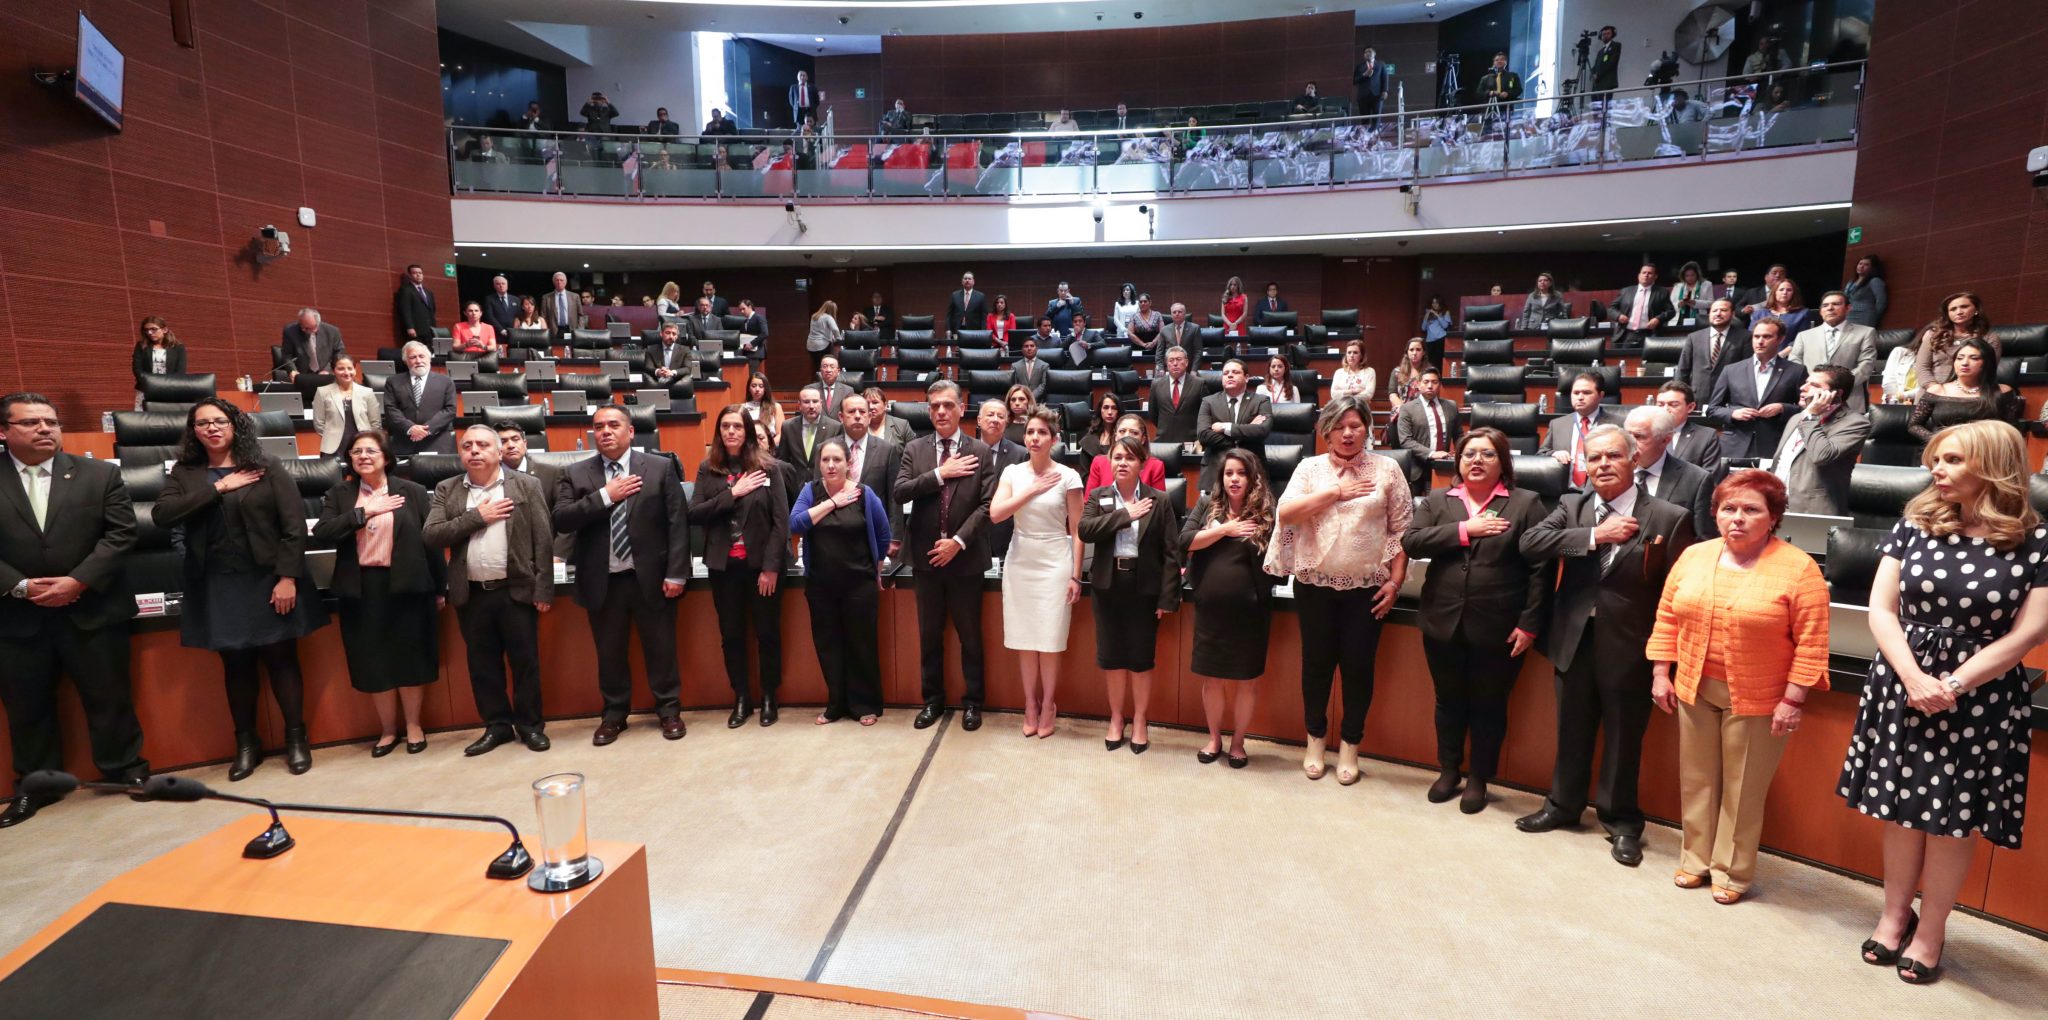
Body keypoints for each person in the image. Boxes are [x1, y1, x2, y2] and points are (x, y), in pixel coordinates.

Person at [1838, 420, 2048, 983]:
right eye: (1936, 459)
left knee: (1952, 821)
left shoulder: (2037, 543)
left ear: (1993, 465)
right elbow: (1882, 610)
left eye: (1952, 460)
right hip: (1903, 683)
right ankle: (1891, 917)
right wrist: (1913, 677)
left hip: (1979, 696)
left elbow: (2029, 634)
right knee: (1901, 812)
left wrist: (1951, 685)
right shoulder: (1914, 525)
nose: (1937, 470)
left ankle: (1931, 933)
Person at [1517, 425, 1695, 866]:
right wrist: (1596, 536)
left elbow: (1678, 590)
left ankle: (1621, 822)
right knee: (1571, 728)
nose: (1602, 465)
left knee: (1623, 738)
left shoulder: (1669, 516)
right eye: (1594, 458)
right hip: (1574, 640)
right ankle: (1563, 806)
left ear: (1635, 459)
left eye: (1613, 456)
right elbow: (1530, 544)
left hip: (1633, 644)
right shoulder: (1572, 505)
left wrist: (1664, 658)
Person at [1648, 469, 1829, 903]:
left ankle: (1731, 870)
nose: (1738, 518)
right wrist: (1660, 672)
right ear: (1716, 514)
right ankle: (1694, 860)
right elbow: (1667, 616)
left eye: (1752, 510)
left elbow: (1812, 640)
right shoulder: (1694, 556)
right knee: (1696, 780)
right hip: (1693, 684)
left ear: (1774, 517)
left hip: (1760, 696)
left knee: (1743, 788)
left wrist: (1793, 699)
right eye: (1729, 509)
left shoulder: (1798, 567)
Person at [153, 398, 329, 781]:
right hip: (217, 582)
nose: (212, 428)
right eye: (202, 424)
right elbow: (163, 515)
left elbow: (294, 525)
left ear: (235, 425)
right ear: (193, 431)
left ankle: (296, 739)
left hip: (268, 578)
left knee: (282, 659)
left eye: (219, 421)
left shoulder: (265, 466)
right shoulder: (186, 471)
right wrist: (219, 488)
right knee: (236, 665)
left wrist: (287, 577)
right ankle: (247, 745)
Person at [0, 393, 147, 826]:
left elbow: (121, 534)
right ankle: (38, 786)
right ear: (4, 431)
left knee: (109, 698)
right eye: (30, 422)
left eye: (51, 421)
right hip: (16, 615)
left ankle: (125, 772)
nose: (45, 428)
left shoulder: (99, 474)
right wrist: (19, 586)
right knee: (26, 707)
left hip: (92, 607)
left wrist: (77, 580)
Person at [1401, 427, 1548, 813]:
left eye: (1486, 454)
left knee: (1489, 705)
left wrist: (1530, 623)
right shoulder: (1438, 500)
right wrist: (1466, 530)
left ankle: (1480, 778)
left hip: (1500, 624)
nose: (1476, 461)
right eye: (1469, 455)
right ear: (1458, 461)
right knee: (1448, 701)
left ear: (1503, 463)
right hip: (1442, 620)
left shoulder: (1525, 503)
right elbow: (1412, 542)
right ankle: (1449, 769)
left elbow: (1541, 570)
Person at [1268, 396, 1409, 785]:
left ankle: (1350, 745)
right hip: (1314, 586)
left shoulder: (1388, 469)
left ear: (1367, 428)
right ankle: (1315, 739)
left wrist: (1395, 583)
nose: (1348, 433)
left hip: (1368, 589)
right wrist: (1336, 493)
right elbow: (1286, 513)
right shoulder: (1309, 468)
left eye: (1357, 425)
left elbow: (1401, 532)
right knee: (1316, 665)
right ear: (1326, 430)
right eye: (1340, 425)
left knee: (1358, 669)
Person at [555, 406, 689, 744]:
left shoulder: (659, 468)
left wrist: (677, 573)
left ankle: (669, 711)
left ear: (631, 432)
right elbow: (562, 519)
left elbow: (677, 523)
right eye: (598, 427)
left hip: (651, 578)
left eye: (614, 425)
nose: (605, 432)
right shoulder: (575, 473)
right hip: (602, 580)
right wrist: (604, 496)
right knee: (609, 652)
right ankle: (614, 715)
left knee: (661, 649)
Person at [425, 426, 554, 755]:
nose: (474, 451)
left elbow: (543, 538)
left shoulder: (526, 484)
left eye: (483, 445)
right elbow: (432, 535)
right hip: (471, 593)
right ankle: (497, 726)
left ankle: (530, 726)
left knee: (525, 663)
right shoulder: (447, 489)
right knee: (482, 666)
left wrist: (544, 588)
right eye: (467, 446)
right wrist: (476, 517)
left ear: (499, 452)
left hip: (516, 591)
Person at [312, 429, 442, 757]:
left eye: (371, 450)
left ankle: (413, 725)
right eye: (357, 451)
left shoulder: (411, 491)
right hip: (361, 588)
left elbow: (431, 542)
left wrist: (440, 586)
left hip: (407, 584)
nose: (363, 456)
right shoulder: (340, 494)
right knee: (373, 660)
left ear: (386, 457)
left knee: (410, 656)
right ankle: (387, 730)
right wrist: (364, 512)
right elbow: (323, 532)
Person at [893, 380, 997, 731]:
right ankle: (932, 701)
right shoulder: (915, 449)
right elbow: (900, 491)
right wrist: (941, 473)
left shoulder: (980, 451)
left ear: (961, 407)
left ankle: (973, 703)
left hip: (965, 560)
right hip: (925, 560)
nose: (941, 411)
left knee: (970, 636)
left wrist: (958, 541)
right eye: (934, 405)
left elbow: (987, 506)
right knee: (930, 634)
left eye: (947, 405)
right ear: (927, 410)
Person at [1080, 435, 1183, 752]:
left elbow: (1171, 553)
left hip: (1144, 588)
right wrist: (1126, 515)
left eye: (1129, 458)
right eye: (1117, 457)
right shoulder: (1099, 496)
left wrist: (1167, 598)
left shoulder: (1159, 500)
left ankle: (1139, 720)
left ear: (1142, 464)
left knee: (1140, 659)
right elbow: (1085, 530)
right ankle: (1115, 718)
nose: (1122, 462)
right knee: (1111, 658)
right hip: (1108, 586)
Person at [691, 405, 791, 728]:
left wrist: (772, 567)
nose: (731, 432)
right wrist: (733, 494)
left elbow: (781, 522)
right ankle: (741, 698)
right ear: (719, 433)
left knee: (767, 634)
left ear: (747, 430)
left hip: (761, 567)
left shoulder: (768, 468)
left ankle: (768, 698)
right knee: (731, 635)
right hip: (725, 568)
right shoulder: (709, 470)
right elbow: (695, 513)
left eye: (737, 426)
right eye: (725, 427)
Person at [990, 405, 1084, 739]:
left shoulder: (1069, 476)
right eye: (1030, 432)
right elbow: (996, 513)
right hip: (1020, 560)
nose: (1034, 437)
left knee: (1049, 638)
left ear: (1054, 439)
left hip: (1055, 560)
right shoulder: (1013, 474)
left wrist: (1075, 575)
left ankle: (1049, 704)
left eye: (1042, 432)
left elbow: (1077, 530)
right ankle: (1029, 703)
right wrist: (1031, 489)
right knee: (1025, 639)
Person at [790, 436, 891, 726]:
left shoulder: (864, 493)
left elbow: (883, 534)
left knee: (861, 644)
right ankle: (836, 704)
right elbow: (795, 523)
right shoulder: (810, 491)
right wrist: (832, 503)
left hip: (859, 584)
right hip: (821, 585)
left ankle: (864, 704)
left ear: (849, 463)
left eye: (837, 460)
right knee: (828, 645)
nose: (831, 465)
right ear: (819, 465)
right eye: (826, 460)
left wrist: (879, 565)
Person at [1183, 449, 1274, 768]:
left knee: (1247, 681)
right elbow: (1185, 541)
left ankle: (1238, 742)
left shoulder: (1265, 512)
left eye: (1241, 473)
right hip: (1212, 611)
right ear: (1221, 478)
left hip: (1251, 613)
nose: (1234, 479)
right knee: (1213, 678)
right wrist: (1224, 530)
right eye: (1229, 473)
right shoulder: (1208, 506)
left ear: (1252, 478)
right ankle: (1214, 738)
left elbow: (1277, 558)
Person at [1772, 366, 1872, 516]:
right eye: (1806, 382)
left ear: (1836, 394)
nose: (1803, 388)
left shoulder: (1855, 423)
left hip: (1814, 511)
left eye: (1815, 385)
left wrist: (1811, 416)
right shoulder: (1796, 418)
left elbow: (1822, 455)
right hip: (1777, 507)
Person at [1705, 318, 1808, 459]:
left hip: (1775, 444)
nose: (1760, 341)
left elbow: (1807, 409)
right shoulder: (1731, 370)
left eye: (1767, 337)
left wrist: (1783, 408)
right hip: (1735, 444)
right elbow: (1712, 409)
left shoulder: (1796, 371)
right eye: (1756, 336)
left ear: (1780, 339)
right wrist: (1733, 414)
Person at [1624, 405, 1716, 536]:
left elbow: (1703, 537)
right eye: (1627, 435)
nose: (1630, 443)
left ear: (1665, 440)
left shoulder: (1696, 480)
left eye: (1639, 437)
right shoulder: (1606, 471)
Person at [1907, 337, 2023, 442]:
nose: (1965, 363)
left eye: (1974, 358)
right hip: (1943, 451)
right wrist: (1938, 441)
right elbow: (1914, 425)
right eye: (1960, 358)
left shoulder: (2002, 391)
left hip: (1986, 452)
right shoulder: (1937, 391)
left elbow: (2012, 428)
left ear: (1986, 364)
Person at [833, 394, 904, 558]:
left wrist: (894, 537)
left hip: (875, 530)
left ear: (870, 416)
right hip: (835, 531)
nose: (857, 416)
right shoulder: (827, 449)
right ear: (841, 417)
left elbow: (894, 497)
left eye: (862, 412)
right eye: (851, 411)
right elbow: (819, 493)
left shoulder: (887, 450)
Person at [1196, 360, 1272, 488]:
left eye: (1235, 372)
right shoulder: (1208, 401)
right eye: (1226, 373)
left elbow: (1262, 431)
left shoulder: (1261, 401)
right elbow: (1204, 435)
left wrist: (1226, 427)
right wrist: (1244, 434)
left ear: (1247, 378)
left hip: (1251, 471)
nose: (1230, 375)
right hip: (1215, 471)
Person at [1543, 371, 1621, 487]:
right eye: (1576, 393)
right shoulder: (1557, 424)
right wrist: (1554, 454)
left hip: (1600, 491)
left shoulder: (1617, 425)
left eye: (1586, 393)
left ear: (1601, 395)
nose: (1580, 397)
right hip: (1564, 492)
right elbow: (1541, 455)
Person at [1911, 291, 1995, 394]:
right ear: (1948, 314)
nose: (1959, 312)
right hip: (1931, 391)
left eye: (1964, 307)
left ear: (1976, 310)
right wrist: (1935, 388)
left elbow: (1988, 370)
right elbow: (1922, 367)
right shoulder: (1934, 335)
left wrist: (1957, 391)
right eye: (1953, 309)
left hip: (1969, 393)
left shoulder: (1988, 338)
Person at [383, 341, 458, 456]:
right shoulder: (393, 382)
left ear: (429, 358)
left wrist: (427, 429)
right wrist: (410, 428)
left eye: (421, 356)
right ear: (406, 361)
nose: (418, 361)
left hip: (438, 441)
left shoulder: (446, 382)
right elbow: (391, 409)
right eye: (413, 357)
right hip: (404, 441)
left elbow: (450, 410)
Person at [1396, 368, 1461, 495]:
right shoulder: (1407, 409)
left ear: (1440, 384)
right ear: (1418, 384)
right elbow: (1405, 440)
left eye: (1434, 382)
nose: (1430, 386)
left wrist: (1461, 453)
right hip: (1418, 468)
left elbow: (1459, 435)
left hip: (1443, 466)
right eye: (1426, 382)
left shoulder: (1451, 406)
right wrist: (1431, 453)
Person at [1675, 298, 1749, 406]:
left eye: (1723, 310)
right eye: (1714, 311)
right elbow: (1683, 370)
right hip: (1697, 397)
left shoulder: (1745, 337)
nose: (1718, 314)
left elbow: (1747, 371)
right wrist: (1679, 395)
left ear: (1732, 314)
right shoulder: (1694, 337)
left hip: (1730, 398)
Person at [312, 355, 381, 458]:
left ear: (355, 370)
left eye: (350, 368)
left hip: (362, 447)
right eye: (341, 369)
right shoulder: (322, 392)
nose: (346, 372)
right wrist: (332, 435)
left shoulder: (367, 392)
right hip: (332, 448)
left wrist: (368, 441)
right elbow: (319, 424)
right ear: (334, 371)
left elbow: (375, 423)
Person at [776, 385, 843, 483]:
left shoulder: (835, 427)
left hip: (823, 485)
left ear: (821, 403)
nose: (811, 406)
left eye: (815, 401)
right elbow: (783, 460)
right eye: (806, 402)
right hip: (795, 486)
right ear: (799, 405)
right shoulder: (788, 426)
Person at [1085, 413, 1167, 491]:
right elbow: (1089, 502)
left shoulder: (1155, 466)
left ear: (1143, 439)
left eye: (1134, 433)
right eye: (1122, 431)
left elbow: (1158, 503)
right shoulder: (1099, 462)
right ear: (1116, 436)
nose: (1126, 436)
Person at [278, 308, 346, 396]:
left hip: (326, 376)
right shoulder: (290, 331)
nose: (303, 330)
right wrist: (292, 370)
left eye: (307, 328)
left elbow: (339, 352)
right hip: (303, 377)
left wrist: (330, 370)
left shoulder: (332, 332)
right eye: (301, 326)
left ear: (317, 325)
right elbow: (287, 354)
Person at [1656, 381, 1722, 469]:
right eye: (1660, 404)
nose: (1665, 409)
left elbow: (1710, 478)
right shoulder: (1643, 432)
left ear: (1690, 407)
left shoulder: (1706, 437)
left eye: (1673, 405)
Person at [1148, 346, 1204, 445]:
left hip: (1190, 441)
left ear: (1186, 362)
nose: (1175, 363)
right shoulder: (1156, 384)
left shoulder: (1199, 384)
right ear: (1167, 363)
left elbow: (1204, 414)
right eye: (1171, 360)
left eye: (1179, 359)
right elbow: (1153, 413)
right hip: (1163, 441)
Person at [1611, 264, 1673, 348]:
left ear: (1655, 277)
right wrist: (1618, 316)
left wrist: (1658, 319)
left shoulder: (1662, 292)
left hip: (1650, 334)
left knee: (1649, 361)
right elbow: (1611, 308)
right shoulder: (1626, 291)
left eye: (1650, 273)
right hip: (1627, 334)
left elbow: (1671, 311)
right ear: (1639, 275)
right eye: (1644, 272)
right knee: (1625, 360)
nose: (1646, 275)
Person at [131, 316, 187, 408]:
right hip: (146, 389)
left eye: (154, 329)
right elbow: (137, 369)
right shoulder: (141, 346)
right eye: (146, 330)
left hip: (170, 390)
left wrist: (167, 386)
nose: (149, 333)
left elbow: (180, 371)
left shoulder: (178, 347)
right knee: (143, 419)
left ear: (164, 329)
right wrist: (150, 385)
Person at [393, 263, 438, 344]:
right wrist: (410, 327)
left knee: (429, 353)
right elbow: (405, 310)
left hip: (430, 330)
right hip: (416, 330)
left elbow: (432, 309)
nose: (418, 275)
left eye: (420, 273)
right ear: (410, 276)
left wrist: (434, 327)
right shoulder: (406, 290)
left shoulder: (428, 292)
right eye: (415, 273)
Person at [645, 322, 696, 387]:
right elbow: (648, 367)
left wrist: (672, 372)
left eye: (674, 334)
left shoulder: (685, 350)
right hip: (657, 383)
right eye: (668, 333)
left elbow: (687, 369)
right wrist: (658, 372)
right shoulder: (651, 349)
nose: (671, 336)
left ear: (677, 336)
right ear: (661, 334)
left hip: (677, 384)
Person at [1077, 393, 1122, 468]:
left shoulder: (1124, 437)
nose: (1110, 412)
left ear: (1119, 411)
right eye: (1106, 407)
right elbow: (1084, 473)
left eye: (1114, 408)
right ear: (1100, 410)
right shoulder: (1089, 439)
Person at [1843, 254, 1888, 328]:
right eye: (1860, 264)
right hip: (1849, 316)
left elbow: (1881, 301)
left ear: (1872, 268)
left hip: (1865, 316)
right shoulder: (1851, 282)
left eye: (1866, 265)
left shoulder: (1874, 281)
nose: (1861, 266)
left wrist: (1874, 317)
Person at [1388, 337, 1433, 405]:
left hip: (1423, 411)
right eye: (1411, 350)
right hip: (1401, 410)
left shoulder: (1430, 372)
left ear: (1423, 352)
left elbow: (1432, 394)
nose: (1414, 353)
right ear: (1407, 352)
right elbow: (1392, 395)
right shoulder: (1397, 372)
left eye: (1418, 350)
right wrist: (1405, 410)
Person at [740, 371, 784, 438]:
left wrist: (769, 447)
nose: (757, 389)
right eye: (753, 386)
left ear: (765, 389)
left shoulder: (776, 407)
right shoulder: (742, 407)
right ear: (749, 388)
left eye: (761, 386)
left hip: (770, 445)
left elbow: (780, 434)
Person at [1156, 303, 1199, 371]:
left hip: (1188, 369)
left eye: (1179, 312)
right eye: (1174, 312)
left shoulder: (1194, 328)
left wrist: (1194, 370)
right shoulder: (1164, 330)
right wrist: (1161, 369)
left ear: (1185, 314)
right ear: (1171, 315)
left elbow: (1198, 352)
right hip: (1170, 368)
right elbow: (1159, 353)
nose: (1177, 314)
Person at [946, 272, 989, 339]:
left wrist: (983, 332)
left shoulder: (980, 296)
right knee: (957, 349)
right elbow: (949, 314)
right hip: (957, 330)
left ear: (973, 282)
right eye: (965, 279)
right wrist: (948, 329)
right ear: (962, 281)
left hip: (974, 331)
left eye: (969, 279)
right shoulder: (954, 295)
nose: (967, 280)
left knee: (971, 349)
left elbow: (984, 317)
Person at [1353, 47, 1391, 118]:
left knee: (1377, 117)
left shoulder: (1381, 64)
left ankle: (1375, 129)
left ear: (1374, 53)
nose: (1367, 53)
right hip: (1363, 96)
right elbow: (1354, 81)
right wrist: (1364, 75)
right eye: (1365, 52)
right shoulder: (1359, 66)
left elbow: (1385, 78)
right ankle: (1365, 129)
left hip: (1377, 94)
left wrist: (1385, 91)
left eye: (1369, 52)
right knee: (1364, 119)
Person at [1009, 335, 1049, 400]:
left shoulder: (1044, 366)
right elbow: (1014, 385)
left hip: (1038, 401)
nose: (1029, 348)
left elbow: (1044, 385)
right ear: (1022, 349)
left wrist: (1031, 397)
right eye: (1026, 346)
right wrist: (1023, 396)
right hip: (1020, 400)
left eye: (1032, 346)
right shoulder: (1015, 366)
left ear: (1036, 349)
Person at [1420, 296, 1453, 367]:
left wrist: (1436, 314)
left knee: (1439, 361)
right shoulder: (1428, 314)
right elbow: (1423, 328)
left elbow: (1445, 326)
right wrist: (1427, 315)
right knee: (1430, 361)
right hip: (1430, 341)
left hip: (1440, 339)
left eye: (1436, 303)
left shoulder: (1445, 312)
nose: (1434, 304)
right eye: (1433, 303)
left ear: (1440, 303)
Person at [736, 298, 770, 364]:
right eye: (740, 310)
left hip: (756, 353)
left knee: (750, 374)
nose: (742, 312)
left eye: (743, 309)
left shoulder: (759, 317)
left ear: (750, 307)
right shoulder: (745, 321)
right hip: (747, 353)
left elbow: (765, 333)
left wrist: (752, 344)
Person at [1591, 26, 1621, 95]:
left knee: (1605, 103)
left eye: (1608, 33)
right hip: (1597, 83)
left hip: (1607, 82)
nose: (1606, 36)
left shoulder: (1616, 46)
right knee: (1595, 102)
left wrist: (1598, 74)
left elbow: (1611, 63)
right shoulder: (1600, 51)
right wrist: (1592, 73)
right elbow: (1596, 65)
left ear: (1612, 34)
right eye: (1604, 34)